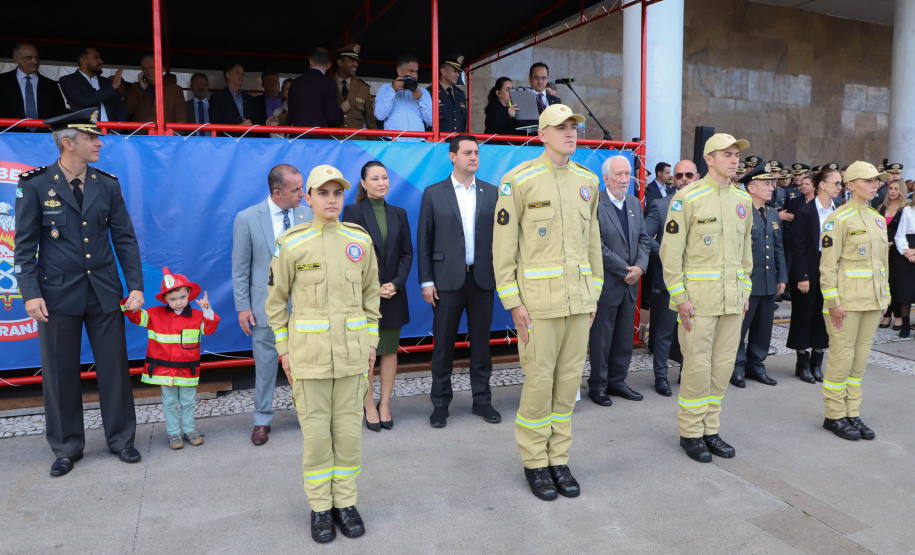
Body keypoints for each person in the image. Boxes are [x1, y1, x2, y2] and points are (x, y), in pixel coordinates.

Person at [14, 108, 144, 476]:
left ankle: (121, 441)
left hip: (104, 291)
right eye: (91, 138)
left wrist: (135, 285)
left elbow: (124, 239)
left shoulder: (108, 183)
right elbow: (24, 247)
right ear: (68, 143)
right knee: (59, 372)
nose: (100, 143)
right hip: (55, 295)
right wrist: (30, 293)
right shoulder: (36, 184)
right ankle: (67, 447)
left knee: (115, 369)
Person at [493, 104, 603, 501]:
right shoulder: (519, 181)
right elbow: (503, 249)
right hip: (537, 304)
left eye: (574, 126)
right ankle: (535, 463)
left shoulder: (587, 180)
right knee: (539, 383)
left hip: (578, 302)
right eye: (561, 127)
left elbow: (593, 244)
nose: (570, 132)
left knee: (569, 382)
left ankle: (559, 458)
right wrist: (513, 301)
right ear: (542, 133)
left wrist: (594, 292)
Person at [266, 165, 380, 544]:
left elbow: (370, 299)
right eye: (323, 193)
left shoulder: (359, 241)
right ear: (308, 198)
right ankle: (319, 508)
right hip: (309, 359)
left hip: (352, 358)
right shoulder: (292, 243)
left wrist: (371, 343)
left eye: (338, 193)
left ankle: (345, 504)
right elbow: (276, 303)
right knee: (316, 438)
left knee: (347, 435)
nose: (332, 200)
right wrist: (284, 350)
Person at [659, 133, 753, 463]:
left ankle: (710, 430)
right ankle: (690, 432)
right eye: (727, 154)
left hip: (731, 300)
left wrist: (745, 291)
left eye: (736, 154)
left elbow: (745, 254)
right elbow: (670, 254)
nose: (734, 159)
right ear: (709, 159)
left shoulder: (742, 199)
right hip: (698, 302)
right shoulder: (688, 198)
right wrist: (679, 296)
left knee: (722, 367)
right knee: (698, 368)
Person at [417, 135, 500, 428]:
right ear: (452, 156)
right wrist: (426, 281)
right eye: (467, 152)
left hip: (481, 280)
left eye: (476, 152)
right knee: (443, 347)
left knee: (481, 346)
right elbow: (424, 241)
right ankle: (440, 404)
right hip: (445, 282)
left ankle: (482, 401)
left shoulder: (492, 193)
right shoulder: (433, 193)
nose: (473, 157)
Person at [232, 164, 313, 446]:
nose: (303, 194)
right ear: (277, 193)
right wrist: (243, 306)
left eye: (302, 187)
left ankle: (307, 415)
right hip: (264, 307)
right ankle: (262, 419)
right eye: (296, 190)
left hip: (305, 307)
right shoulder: (247, 218)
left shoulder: (308, 214)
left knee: (304, 365)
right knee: (265, 365)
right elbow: (240, 267)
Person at [819, 161, 890, 441]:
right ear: (850, 185)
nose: (875, 185)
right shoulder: (838, 219)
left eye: (877, 181)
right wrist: (832, 301)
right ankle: (834, 415)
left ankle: (852, 412)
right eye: (869, 180)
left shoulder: (875, 217)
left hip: (872, 301)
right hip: (846, 303)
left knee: (859, 361)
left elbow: (881, 263)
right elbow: (827, 266)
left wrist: (884, 295)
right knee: (841, 358)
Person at [342, 161, 413, 430]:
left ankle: (385, 404)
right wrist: (373, 287)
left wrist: (396, 284)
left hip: (393, 294)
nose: (381, 183)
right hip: (364, 296)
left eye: (384, 178)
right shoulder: (352, 212)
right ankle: (368, 404)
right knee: (366, 353)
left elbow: (407, 254)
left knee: (389, 351)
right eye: (375, 178)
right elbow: (348, 255)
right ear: (363, 183)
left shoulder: (399, 213)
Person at [122, 268, 219, 449]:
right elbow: (134, 316)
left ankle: (190, 430)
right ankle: (174, 434)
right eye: (173, 299)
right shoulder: (154, 315)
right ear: (164, 299)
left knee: (188, 401)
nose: (178, 302)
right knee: (170, 402)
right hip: (165, 371)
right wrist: (129, 305)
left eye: (182, 297)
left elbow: (210, 328)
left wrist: (207, 309)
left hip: (188, 370)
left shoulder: (198, 317)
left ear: (189, 294)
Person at [587, 155, 649, 406]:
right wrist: (625, 270)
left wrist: (641, 268)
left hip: (631, 283)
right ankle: (598, 386)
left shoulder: (634, 203)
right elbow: (595, 245)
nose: (624, 180)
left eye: (627, 174)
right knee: (601, 339)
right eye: (619, 175)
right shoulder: (595, 204)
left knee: (624, 337)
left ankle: (618, 381)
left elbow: (644, 239)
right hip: (608, 284)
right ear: (606, 178)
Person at [731, 164, 786, 387]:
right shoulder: (741, 210)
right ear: (751, 188)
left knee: (763, 328)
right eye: (766, 184)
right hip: (748, 281)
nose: (771, 187)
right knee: (739, 328)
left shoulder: (772, 212)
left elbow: (778, 246)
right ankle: (736, 367)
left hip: (768, 280)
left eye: (771, 183)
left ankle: (757, 365)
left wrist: (781, 277)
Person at [645, 160, 696, 396]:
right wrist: (665, 256)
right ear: (671, 179)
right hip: (668, 280)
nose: (683, 179)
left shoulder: (706, 204)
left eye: (688, 174)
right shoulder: (661, 204)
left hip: (698, 281)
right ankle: (660, 376)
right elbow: (645, 236)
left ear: (696, 176)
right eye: (678, 175)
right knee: (664, 333)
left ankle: (687, 374)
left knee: (692, 332)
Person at [787, 169, 840, 383]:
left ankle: (818, 361)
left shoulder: (839, 212)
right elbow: (797, 246)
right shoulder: (805, 211)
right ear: (822, 185)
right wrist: (803, 275)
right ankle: (802, 363)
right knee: (804, 314)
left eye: (840, 183)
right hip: (809, 267)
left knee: (824, 314)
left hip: (830, 269)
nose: (839, 187)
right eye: (835, 183)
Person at [0, 42, 67, 130]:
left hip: (45, 138)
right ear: (16, 58)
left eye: (37, 57)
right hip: (8, 138)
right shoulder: (2, 82)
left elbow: (60, 115)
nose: (35, 61)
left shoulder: (51, 85)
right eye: (29, 58)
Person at [58, 45, 126, 122]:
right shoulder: (68, 80)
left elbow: (121, 109)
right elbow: (86, 100)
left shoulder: (107, 83)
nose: (101, 61)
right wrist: (113, 87)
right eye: (96, 58)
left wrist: (116, 131)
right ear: (83, 61)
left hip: (110, 132)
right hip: (85, 133)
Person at [374, 54, 433, 142]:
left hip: (418, 144)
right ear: (399, 71)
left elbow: (431, 121)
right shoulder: (386, 88)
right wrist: (392, 91)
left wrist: (421, 99)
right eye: (411, 71)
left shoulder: (423, 92)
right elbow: (379, 115)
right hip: (392, 142)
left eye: (416, 72)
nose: (414, 75)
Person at [287, 48, 343, 130]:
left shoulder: (296, 82)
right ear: (329, 65)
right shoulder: (329, 83)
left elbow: (291, 114)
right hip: (319, 138)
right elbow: (333, 117)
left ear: (310, 61)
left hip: (298, 137)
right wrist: (341, 110)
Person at [126, 54, 187, 125]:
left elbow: (181, 120)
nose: (148, 71)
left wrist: (171, 135)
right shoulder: (136, 87)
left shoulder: (175, 90)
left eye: (152, 67)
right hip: (140, 134)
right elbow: (128, 111)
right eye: (145, 68)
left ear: (162, 68)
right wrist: (142, 89)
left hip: (164, 135)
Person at [878, 181, 905, 331]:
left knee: (896, 284)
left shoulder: (905, 209)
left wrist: (892, 244)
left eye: (896, 189)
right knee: (884, 283)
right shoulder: (882, 208)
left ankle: (899, 315)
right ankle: (887, 314)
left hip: (898, 251)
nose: (892, 191)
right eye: (890, 188)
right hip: (882, 251)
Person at [333, 44, 377, 133]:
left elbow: (370, 122)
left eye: (357, 61)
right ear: (340, 62)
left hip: (356, 143)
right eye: (352, 60)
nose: (356, 64)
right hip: (334, 142)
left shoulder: (363, 87)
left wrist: (374, 146)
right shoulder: (327, 83)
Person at [892, 189, 915, 338]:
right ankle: (905, 324)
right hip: (907, 251)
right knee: (906, 291)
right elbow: (899, 234)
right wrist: (907, 251)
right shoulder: (907, 210)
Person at [515, 62, 561, 130]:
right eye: (536, 78)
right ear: (530, 78)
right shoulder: (523, 97)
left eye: (543, 78)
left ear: (547, 79)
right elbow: (520, 124)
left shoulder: (556, 100)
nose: (540, 81)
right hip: (532, 138)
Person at [428, 56, 467, 133]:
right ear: (443, 71)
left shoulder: (460, 94)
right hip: (439, 143)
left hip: (457, 142)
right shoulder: (430, 92)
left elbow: (463, 122)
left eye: (458, 72)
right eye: (454, 71)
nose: (458, 75)